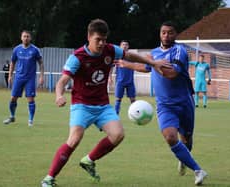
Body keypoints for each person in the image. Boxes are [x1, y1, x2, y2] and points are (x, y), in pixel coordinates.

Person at [41, 19, 168, 187]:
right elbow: (62, 81)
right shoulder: (77, 57)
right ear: (89, 37)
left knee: (118, 135)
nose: (101, 43)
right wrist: (59, 95)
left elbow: (129, 55)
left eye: (104, 39)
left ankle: (89, 160)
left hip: (102, 105)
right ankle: (49, 179)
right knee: (74, 139)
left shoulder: (110, 50)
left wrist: (152, 63)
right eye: (97, 40)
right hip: (81, 105)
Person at [115, 21, 207, 185]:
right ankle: (198, 170)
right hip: (164, 105)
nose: (166, 35)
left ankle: (184, 158)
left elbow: (171, 74)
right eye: (163, 32)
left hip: (184, 102)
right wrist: (126, 64)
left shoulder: (180, 51)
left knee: (186, 139)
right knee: (171, 137)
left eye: (170, 32)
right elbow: (146, 67)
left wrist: (153, 63)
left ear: (175, 34)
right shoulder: (154, 53)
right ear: (160, 34)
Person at [3, 30, 44, 127]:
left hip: (30, 78)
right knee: (13, 98)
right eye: (24, 36)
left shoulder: (35, 50)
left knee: (30, 99)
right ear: (21, 38)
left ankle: (30, 120)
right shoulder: (16, 49)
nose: (26, 38)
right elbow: (12, 63)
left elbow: (41, 63)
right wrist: (10, 76)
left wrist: (42, 76)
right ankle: (12, 116)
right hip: (18, 78)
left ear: (30, 38)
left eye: (28, 36)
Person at [110, 40, 136, 114]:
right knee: (118, 99)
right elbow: (111, 67)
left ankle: (136, 114)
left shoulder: (131, 57)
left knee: (133, 100)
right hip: (120, 82)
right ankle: (116, 115)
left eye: (126, 45)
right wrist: (110, 78)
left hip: (130, 82)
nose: (125, 46)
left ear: (128, 47)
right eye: (123, 45)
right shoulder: (118, 57)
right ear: (120, 46)